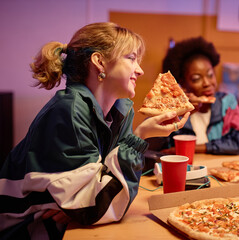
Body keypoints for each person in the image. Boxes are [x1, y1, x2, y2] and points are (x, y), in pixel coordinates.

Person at [0, 22, 189, 239]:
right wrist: (140, 137)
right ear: (99, 62)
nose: (140, 69)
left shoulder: (120, 108)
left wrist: (80, 207)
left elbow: (100, 194)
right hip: (23, 230)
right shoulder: (69, 110)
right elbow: (96, 207)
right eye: (131, 58)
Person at [150, 36, 239, 155]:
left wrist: (198, 148)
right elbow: (152, 146)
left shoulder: (226, 102)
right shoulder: (173, 107)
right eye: (197, 79)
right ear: (182, 83)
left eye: (210, 75)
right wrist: (175, 113)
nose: (207, 83)